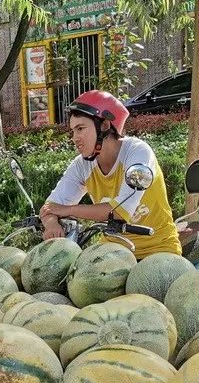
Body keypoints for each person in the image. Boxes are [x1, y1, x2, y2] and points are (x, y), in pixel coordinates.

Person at [39, 90, 181, 259]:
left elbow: (120, 212)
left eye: (81, 129)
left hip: (159, 249)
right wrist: (52, 224)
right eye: (73, 131)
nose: (75, 138)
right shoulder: (82, 165)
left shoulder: (138, 152)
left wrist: (67, 210)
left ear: (105, 125)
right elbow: (50, 207)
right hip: (113, 251)